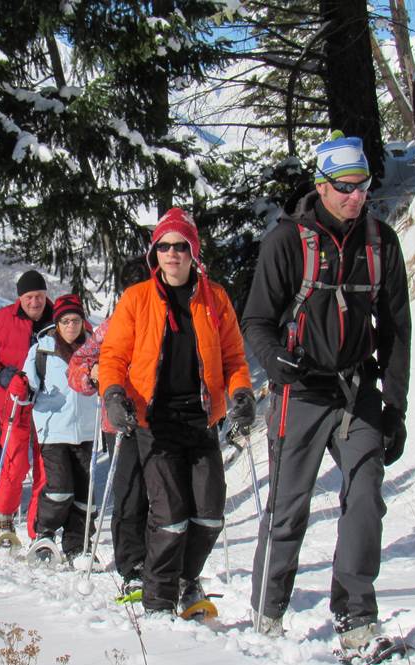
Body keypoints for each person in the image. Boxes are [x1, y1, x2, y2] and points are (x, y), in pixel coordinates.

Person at [240, 132, 412, 657]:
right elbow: (257, 321)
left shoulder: (381, 243)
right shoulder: (286, 241)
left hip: (356, 387)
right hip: (301, 390)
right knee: (288, 506)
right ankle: (268, 613)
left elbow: (397, 328)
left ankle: (356, 615)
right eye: (345, 186)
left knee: (365, 495)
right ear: (322, 184)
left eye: (363, 186)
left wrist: (395, 406)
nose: (356, 196)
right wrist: (274, 361)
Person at [98, 208, 254, 617]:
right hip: (154, 420)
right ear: (155, 254)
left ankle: (186, 580)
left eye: (180, 246)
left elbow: (235, 357)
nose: (172, 253)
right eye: (164, 246)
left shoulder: (214, 297)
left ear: (193, 252)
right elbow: (113, 355)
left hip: (201, 420)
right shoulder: (137, 299)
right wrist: (114, 393)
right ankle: (158, 600)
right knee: (169, 514)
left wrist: (241, 395)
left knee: (209, 513)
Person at [67, 257, 151, 597]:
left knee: (162, 496)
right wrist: (93, 374)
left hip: (163, 418)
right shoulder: (113, 325)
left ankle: (160, 562)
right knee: (130, 495)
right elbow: (78, 364)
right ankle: (133, 565)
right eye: (132, 289)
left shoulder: (170, 317)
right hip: (121, 421)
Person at [0, 270, 54, 541]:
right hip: (14, 402)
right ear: (20, 298)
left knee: (46, 465)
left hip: (50, 405)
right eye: (29, 297)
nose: (35, 302)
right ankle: (3, 519)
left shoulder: (58, 317)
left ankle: (39, 529)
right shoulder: (1, 320)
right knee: (14, 463)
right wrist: (2, 375)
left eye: (39, 296)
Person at [23, 293, 95, 561]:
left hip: (86, 430)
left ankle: (78, 544)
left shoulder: (94, 349)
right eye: (65, 321)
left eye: (76, 320)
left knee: (84, 494)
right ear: (57, 323)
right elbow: (27, 386)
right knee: (60, 487)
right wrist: (22, 387)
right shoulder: (41, 350)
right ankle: (44, 534)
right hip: (52, 430)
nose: (71, 326)